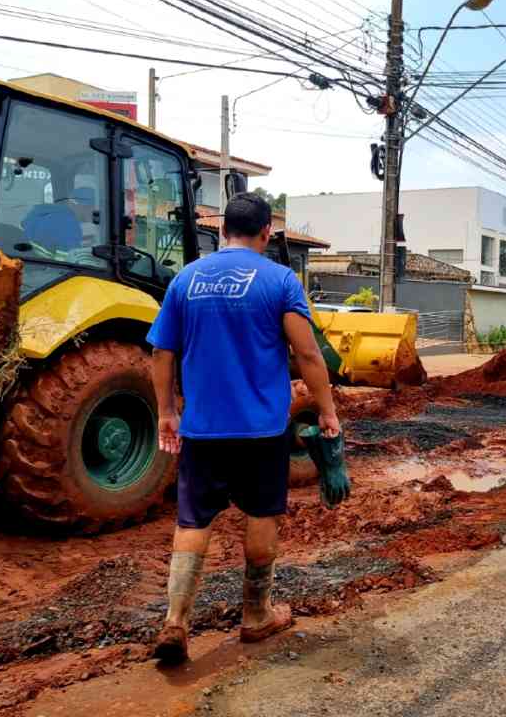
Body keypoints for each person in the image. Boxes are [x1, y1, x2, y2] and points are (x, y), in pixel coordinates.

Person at [147, 192, 341, 665]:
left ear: (222, 229)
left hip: (203, 427)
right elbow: (310, 354)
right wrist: (328, 411)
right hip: (262, 429)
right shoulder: (279, 281)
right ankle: (256, 616)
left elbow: (162, 353)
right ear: (266, 233)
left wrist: (166, 411)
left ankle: (175, 621)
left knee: (193, 520)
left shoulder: (186, 280)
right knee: (261, 515)